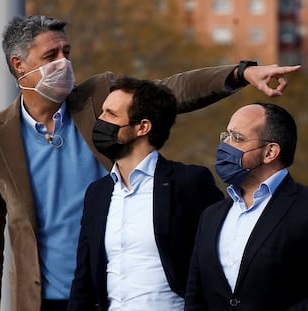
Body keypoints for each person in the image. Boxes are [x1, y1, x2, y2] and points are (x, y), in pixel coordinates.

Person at [0, 14, 300, 311]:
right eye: (50, 55)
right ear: (19, 64)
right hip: (43, 300)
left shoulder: (98, 99)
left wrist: (241, 73)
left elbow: (170, 91)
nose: (63, 62)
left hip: (112, 293)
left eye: (66, 52)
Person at [66, 76, 224, 311]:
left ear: (142, 127)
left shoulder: (189, 183)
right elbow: (83, 280)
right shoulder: (98, 193)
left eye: (110, 114)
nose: (100, 121)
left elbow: (216, 262)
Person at [185, 102, 308, 311]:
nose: (225, 146)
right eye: (225, 136)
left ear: (270, 152)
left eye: (237, 138)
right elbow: (195, 293)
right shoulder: (211, 215)